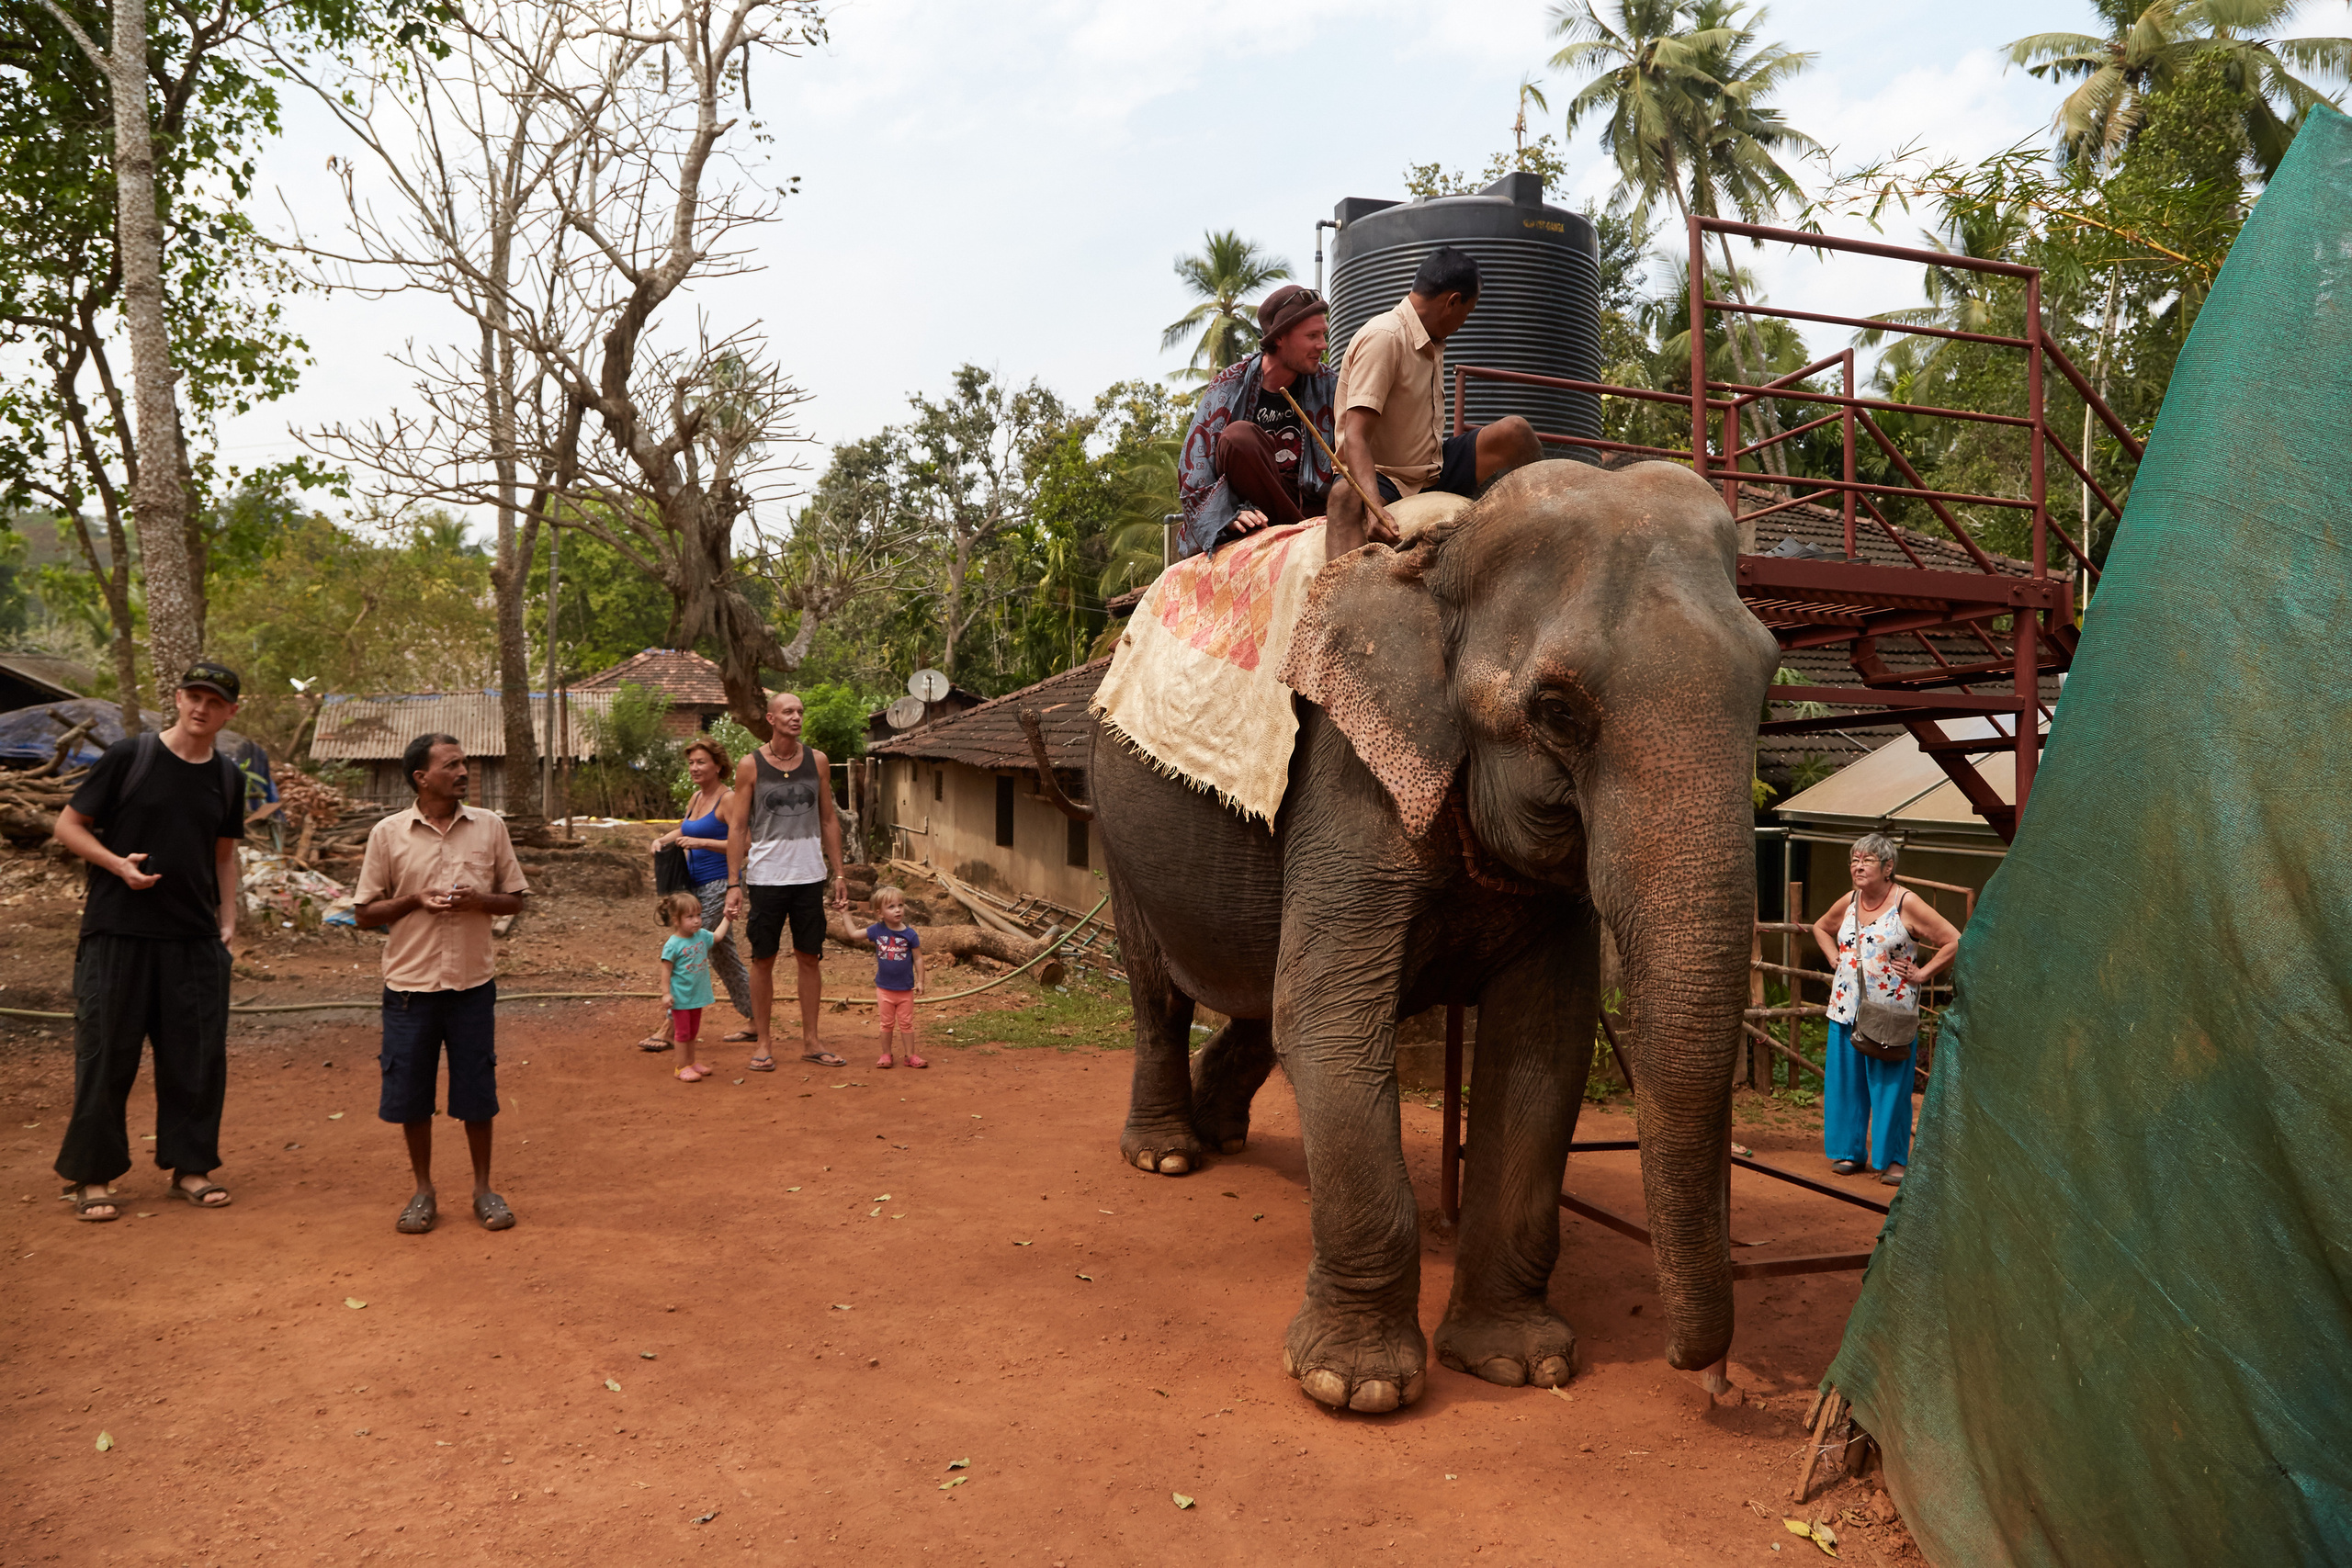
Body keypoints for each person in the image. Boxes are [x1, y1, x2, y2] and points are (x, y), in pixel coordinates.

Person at [51, 660, 250, 1222]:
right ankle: (93, 1176)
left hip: (193, 937)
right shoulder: (129, 758)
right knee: (106, 1052)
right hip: (118, 931)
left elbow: (223, 854)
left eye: (214, 701)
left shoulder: (228, 776)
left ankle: (191, 1167)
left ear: (230, 712)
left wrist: (227, 918)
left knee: (197, 1056)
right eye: (193, 696)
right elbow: (68, 826)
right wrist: (117, 865)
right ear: (178, 698)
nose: (201, 708)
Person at [354, 732, 530, 1235]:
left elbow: (516, 898)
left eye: (464, 763)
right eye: (451, 764)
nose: (462, 771)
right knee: (411, 1092)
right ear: (421, 777)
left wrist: (481, 901)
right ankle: (423, 1191)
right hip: (410, 987)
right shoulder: (387, 835)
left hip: (473, 983)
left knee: (478, 1088)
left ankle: (483, 1189)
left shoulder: (490, 827)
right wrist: (413, 900)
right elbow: (365, 914)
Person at [1326, 245, 1544, 556]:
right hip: (1386, 476)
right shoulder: (1385, 337)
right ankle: (1339, 600)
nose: (1463, 323)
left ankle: (1546, 522)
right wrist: (1374, 504)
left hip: (1433, 469)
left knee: (1516, 432)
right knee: (1345, 495)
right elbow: (1356, 435)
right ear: (1453, 301)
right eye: (1467, 314)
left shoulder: (1432, 338)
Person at [1810, 833, 1960, 1187]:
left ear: (1888, 867)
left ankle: (1892, 1160)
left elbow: (1953, 939)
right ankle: (1848, 1152)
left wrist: (1922, 973)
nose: (1858, 867)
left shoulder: (1906, 902)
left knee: (1890, 1084)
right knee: (1846, 1084)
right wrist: (1833, 956)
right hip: (1846, 1009)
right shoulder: (1849, 900)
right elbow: (1820, 927)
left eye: (1867, 860)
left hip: (1890, 1013)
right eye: (1854, 860)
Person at [722, 692, 851, 1071]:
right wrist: (734, 882)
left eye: (800, 712)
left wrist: (839, 873)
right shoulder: (751, 765)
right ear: (771, 718)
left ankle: (812, 1041)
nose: (796, 717)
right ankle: (763, 1042)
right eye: (788, 712)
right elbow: (737, 826)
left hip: (810, 875)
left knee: (809, 958)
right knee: (763, 959)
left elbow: (829, 819)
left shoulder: (818, 762)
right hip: (766, 878)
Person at [1173, 283, 1340, 560]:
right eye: (1312, 336)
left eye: (1323, 334)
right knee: (1239, 437)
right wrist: (1224, 515)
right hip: (1252, 505)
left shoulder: (1331, 385)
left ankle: (1294, 528)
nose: (1322, 345)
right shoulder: (1229, 386)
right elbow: (1195, 465)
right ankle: (1298, 533)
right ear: (1279, 338)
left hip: (1311, 501)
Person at [648, 738, 754, 1046]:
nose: (694, 768)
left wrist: (703, 844)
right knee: (724, 957)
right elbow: (685, 829)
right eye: (691, 762)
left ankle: (670, 1028)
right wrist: (662, 840)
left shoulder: (729, 799)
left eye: (701, 762)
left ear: (718, 766)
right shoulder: (696, 797)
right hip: (694, 888)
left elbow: (744, 843)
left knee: (690, 947)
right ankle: (756, 1019)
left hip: (721, 884)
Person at [657, 890, 731, 1082]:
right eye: (690, 917)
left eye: (698, 915)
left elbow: (717, 937)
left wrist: (727, 918)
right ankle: (681, 1067)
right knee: (682, 1033)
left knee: (692, 1032)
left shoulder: (701, 936)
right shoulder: (673, 944)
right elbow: (666, 971)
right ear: (676, 920)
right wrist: (666, 994)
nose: (697, 920)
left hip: (697, 996)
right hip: (681, 997)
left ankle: (690, 1062)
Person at [868, 886, 926, 1070]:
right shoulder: (877, 930)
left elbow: (918, 958)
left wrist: (920, 981)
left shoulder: (910, 934)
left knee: (906, 1024)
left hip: (905, 990)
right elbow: (853, 934)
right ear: (880, 913)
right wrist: (844, 914)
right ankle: (886, 1054)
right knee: (886, 1023)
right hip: (884, 989)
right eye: (891, 906)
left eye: (900, 905)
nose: (898, 910)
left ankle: (910, 1056)